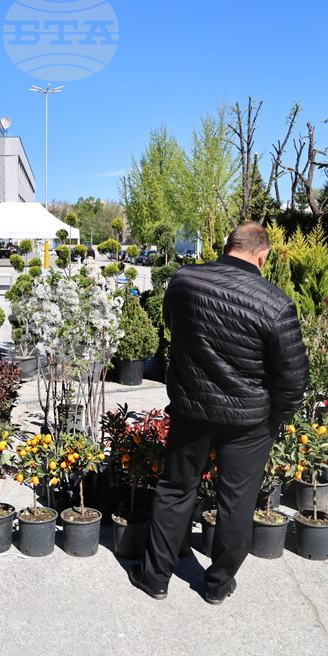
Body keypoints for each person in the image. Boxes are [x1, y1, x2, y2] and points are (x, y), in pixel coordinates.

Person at [130, 222, 308, 605]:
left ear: (228, 246)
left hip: (192, 409)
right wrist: (275, 420)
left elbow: (174, 331)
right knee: (237, 501)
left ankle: (155, 577)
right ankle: (217, 585)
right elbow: (293, 378)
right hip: (248, 421)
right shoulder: (275, 302)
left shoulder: (183, 280)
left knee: (175, 489)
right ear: (263, 255)